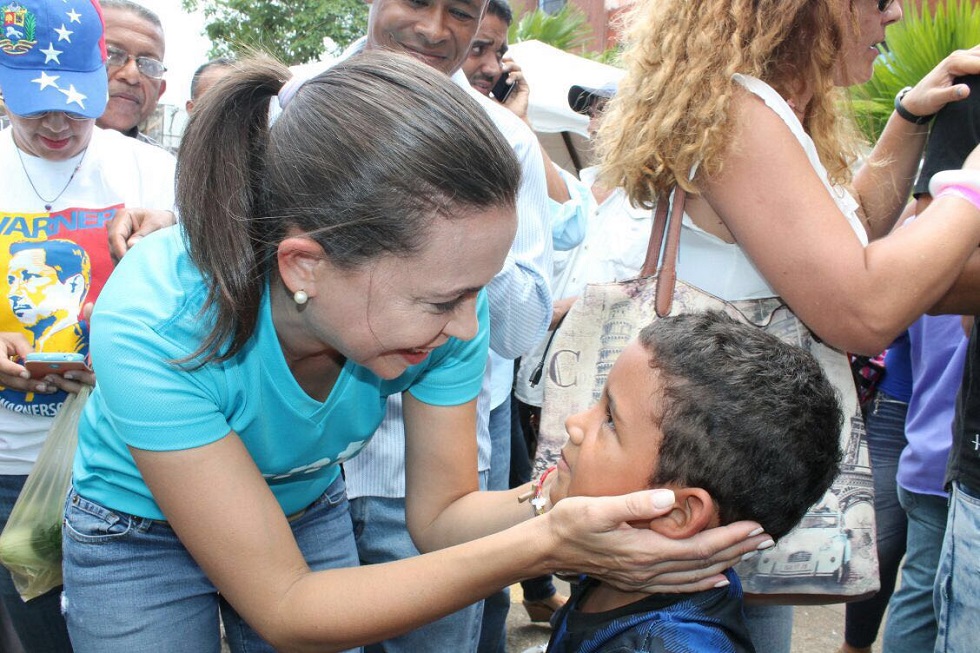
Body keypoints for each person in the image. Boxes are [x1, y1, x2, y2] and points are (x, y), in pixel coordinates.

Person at [58, 50, 768, 653]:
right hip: (137, 528)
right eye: (442, 303)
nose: (466, 331)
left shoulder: (445, 300)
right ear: (305, 266)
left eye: (476, 294)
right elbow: (287, 603)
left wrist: (585, 498)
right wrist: (552, 541)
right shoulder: (154, 322)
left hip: (303, 497)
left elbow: (442, 517)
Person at [598, 0, 980, 650]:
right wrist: (969, 190)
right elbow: (864, 307)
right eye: (879, 1)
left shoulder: (748, 109)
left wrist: (910, 116)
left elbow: (845, 234)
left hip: (717, 474)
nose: (891, 18)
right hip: (698, 471)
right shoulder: (739, 114)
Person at [0, 0, 175, 650]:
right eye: (34, 101)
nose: (56, 119)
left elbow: (223, 287)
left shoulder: (151, 172)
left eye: (75, 99)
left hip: (126, 462)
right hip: (11, 466)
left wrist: (176, 246)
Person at [544, 311, 843, 653]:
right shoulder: (612, 560)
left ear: (677, 514)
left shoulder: (668, 645)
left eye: (610, 420)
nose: (574, 423)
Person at [838, 333, 912, 653]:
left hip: (960, 405)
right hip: (900, 397)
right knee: (880, 544)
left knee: (929, 566)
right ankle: (856, 645)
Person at [96, 0, 166, 145]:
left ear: (159, 92)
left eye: (148, 64)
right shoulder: (37, 156)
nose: (131, 76)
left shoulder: (165, 165)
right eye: (112, 54)